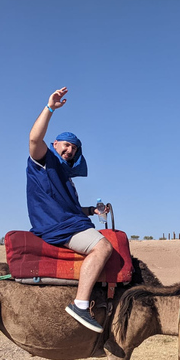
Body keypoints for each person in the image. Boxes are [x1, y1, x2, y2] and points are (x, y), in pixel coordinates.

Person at [27, 87, 113, 332]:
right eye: (65, 145)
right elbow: (34, 139)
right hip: (57, 226)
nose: (69, 150)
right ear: (54, 144)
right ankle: (81, 304)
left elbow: (67, 206)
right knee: (103, 247)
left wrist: (92, 211)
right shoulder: (43, 160)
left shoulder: (63, 174)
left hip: (69, 221)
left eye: (73, 148)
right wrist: (50, 108)